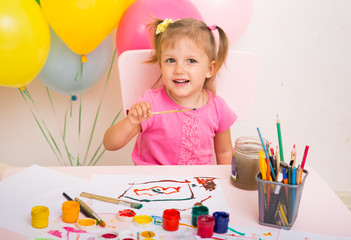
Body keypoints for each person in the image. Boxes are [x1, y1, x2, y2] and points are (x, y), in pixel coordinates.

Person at [104, 18, 237, 165]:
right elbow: (110, 144)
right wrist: (131, 121)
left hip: (196, 184)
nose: (179, 70)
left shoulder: (218, 108)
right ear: (161, 65)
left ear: (209, 69)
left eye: (191, 61)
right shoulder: (150, 105)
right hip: (153, 183)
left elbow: (224, 152)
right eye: (171, 60)